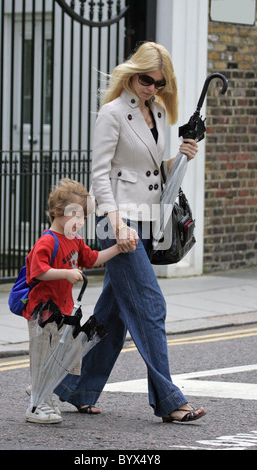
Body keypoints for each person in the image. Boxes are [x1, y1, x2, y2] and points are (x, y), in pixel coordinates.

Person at [55, 42, 206, 423]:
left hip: (147, 220)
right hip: (118, 222)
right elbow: (101, 175)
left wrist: (181, 156)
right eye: (145, 79)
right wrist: (118, 225)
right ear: (132, 73)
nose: (151, 87)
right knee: (151, 305)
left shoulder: (155, 111)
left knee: (115, 313)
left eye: (158, 82)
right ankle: (169, 400)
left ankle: (77, 388)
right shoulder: (112, 113)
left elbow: (151, 170)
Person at [24, 178, 136, 424]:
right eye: (74, 215)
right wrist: (66, 273)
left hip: (63, 311)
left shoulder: (74, 241)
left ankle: (47, 394)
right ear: (56, 213)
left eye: (83, 217)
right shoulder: (48, 241)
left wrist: (119, 248)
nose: (80, 222)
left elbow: (93, 258)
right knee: (43, 356)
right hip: (42, 311)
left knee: (60, 357)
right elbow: (37, 271)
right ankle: (36, 405)